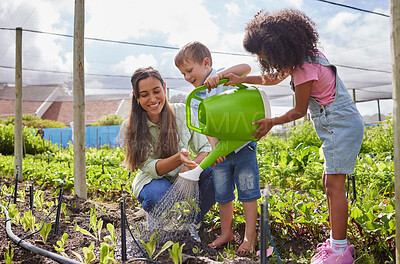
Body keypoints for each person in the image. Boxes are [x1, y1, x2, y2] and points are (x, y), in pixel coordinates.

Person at [223, 9, 364, 264]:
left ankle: (340, 252)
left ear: (279, 46)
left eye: (264, 55)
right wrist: (239, 79)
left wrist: (271, 122)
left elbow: (299, 111)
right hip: (337, 125)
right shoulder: (307, 58)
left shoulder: (304, 69)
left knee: (335, 186)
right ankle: (336, 243)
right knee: (328, 183)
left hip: (339, 125)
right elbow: (273, 78)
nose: (263, 60)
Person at [175, 41, 261, 255]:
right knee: (223, 195)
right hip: (222, 151)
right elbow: (206, 126)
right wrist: (215, 148)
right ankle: (226, 233)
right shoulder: (196, 99)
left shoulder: (223, 79)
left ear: (206, 63)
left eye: (189, 70)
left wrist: (221, 76)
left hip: (242, 146)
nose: (187, 77)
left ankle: (250, 236)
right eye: (182, 74)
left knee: (248, 191)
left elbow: (246, 69)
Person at [122, 66, 215, 241]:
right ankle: (158, 218)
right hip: (154, 181)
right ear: (136, 97)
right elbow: (150, 168)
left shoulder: (182, 112)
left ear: (164, 88)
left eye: (156, 91)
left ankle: (190, 223)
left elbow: (205, 148)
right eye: (144, 94)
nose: (152, 99)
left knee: (217, 174)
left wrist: (188, 169)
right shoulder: (131, 126)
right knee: (157, 196)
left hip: (184, 177)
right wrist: (178, 159)